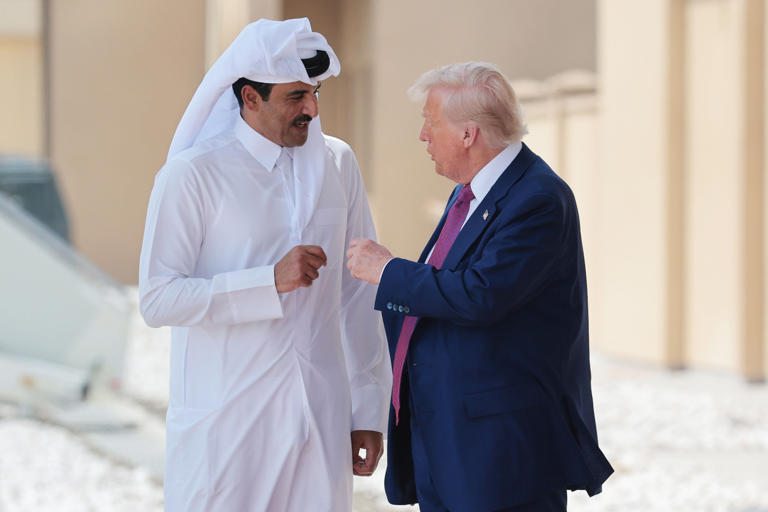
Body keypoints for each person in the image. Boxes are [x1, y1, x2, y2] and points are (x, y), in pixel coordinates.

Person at [138, 18, 391, 512]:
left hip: (319, 419)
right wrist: (266, 283)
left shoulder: (338, 163)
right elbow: (156, 297)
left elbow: (359, 293)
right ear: (249, 98)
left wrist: (367, 407)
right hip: (229, 428)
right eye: (295, 96)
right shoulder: (193, 175)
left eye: (314, 92)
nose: (313, 109)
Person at [346, 62, 613, 512]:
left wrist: (390, 270)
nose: (422, 136)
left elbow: (479, 294)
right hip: (449, 442)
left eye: (430, 122)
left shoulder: (539, 199)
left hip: (501, 455)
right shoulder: (470, 192)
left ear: (469, 134)